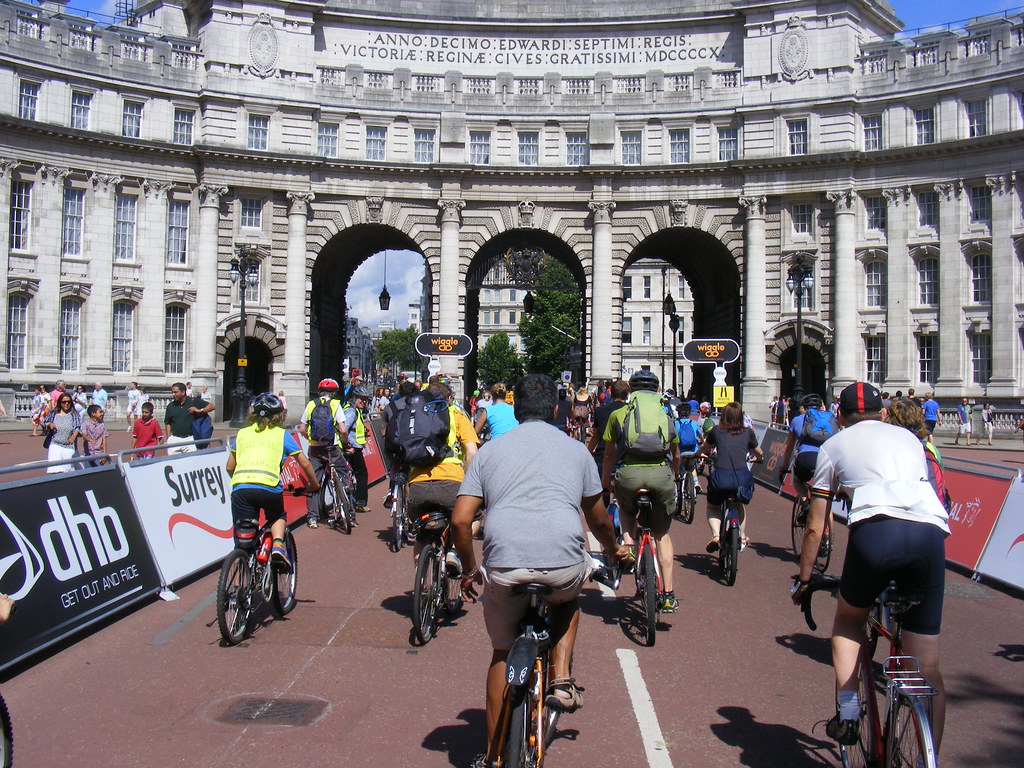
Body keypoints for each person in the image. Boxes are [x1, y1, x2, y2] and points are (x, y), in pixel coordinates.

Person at [452, 374, 628, 768]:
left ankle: (494, 756)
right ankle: (561, 679)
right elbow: (598, 519)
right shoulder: (577, 451)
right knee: (568, 597)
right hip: (561, 561)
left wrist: (469, 571)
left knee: (502, 650)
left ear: (515, 409)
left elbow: (461, 521)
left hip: (504, 564)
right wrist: (615, 549)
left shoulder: (490, 452)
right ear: (555, 410)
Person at [792, 382, 948, 754]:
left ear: (840, 416)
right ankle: (930, 756)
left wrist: (805, 579)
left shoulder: (833, 446)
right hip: (929, 532)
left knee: (849, 620)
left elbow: (815, 526)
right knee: (926, 662)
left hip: (876, 532)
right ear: (883, 413)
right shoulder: (910, 439)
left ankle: (847, 712)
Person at [601, 370, 681, 613]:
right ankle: (668, 594)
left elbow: (609, 454)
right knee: (662, 534)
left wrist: (606, 480)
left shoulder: (618, 414)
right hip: (660, 475)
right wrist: (674, 475)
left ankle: (628, 545)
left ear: (631, 389)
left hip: (629, 475)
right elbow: (676, 454)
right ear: (657, 390)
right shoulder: (665, 415)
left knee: (624, 508)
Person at [227, 393, 319, 570]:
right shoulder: (281, 434)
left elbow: (230, 467)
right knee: (277, 516)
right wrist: (313, 485)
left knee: (242, 541)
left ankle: (237, 582)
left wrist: (243, 481)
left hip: (241, 488)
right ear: (279, 415)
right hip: (269, 486)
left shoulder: (242, 434)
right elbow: (305, 463)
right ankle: (277, 546)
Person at [406, 380, 479, 562]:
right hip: (451, 482)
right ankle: (454, 550)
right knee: (475, 516)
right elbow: (472, 452)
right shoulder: (456, 414)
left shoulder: (414, 416)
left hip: (418, 486)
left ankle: (420, 577)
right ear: (448, 398)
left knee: (422, 535)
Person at [696, 401, 763, 551]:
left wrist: (697, 454)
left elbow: (705, 447)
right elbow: (759, 452)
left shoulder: (717, 431)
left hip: (721, 478)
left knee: (713, 506)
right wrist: (758, 459)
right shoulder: (747, 432)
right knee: (739, 505)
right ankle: (743, 536)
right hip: (742, 478)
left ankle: (716, 536)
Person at [300, 378, 351, 529]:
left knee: (314, 482)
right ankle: (349, 512)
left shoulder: (311, 404)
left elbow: (302, 429)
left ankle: (312, 518)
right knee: (343, 473)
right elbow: (343, 430)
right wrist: (346, 444)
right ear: (334, 393)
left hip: (315, 449)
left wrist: (310, 439)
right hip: (331, 447)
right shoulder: (335, 404)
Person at [777, 394, 837, 509]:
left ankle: (805, 503)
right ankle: (828, 520)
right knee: (825, 504)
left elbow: (789, 447)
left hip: (805, 458)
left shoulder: (797, 420)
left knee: (797, 480)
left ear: (803, 407)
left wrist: (784, 466)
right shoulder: (829, 419)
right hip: (825, 460)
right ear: (821, 406)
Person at [342, 385, 372, 513]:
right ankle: (361, 502)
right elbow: (344, 429)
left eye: (366, 399)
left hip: (354, 446)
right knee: (362, 474)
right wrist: (347, 445)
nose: (364, 402)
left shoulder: (355, 410)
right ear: (354, 398)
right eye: (361, 399)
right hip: (352, 448)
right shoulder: (351, 411)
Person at [164, 381, 216, 453]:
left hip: (190, 439)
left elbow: (212, 406)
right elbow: (167, 423)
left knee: (192, 459)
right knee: (174, 460)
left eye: (176, 392)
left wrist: (199, 410)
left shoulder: (194, 401)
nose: (173, 394)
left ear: (183, 392)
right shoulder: (170, 406)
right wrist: (169, 438)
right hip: (175, 439)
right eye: (172, 392)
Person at [43, 392, 82, 473]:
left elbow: (77, 427)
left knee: (67, 469)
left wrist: (73, 437)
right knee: (55, 468)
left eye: (68, 402)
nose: (66, 404)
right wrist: (49, 424)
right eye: (64, 402)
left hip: (68, 445)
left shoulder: (74, 414)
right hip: (55, 443)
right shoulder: (54, 413)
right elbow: (45, 422)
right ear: (60, 403)